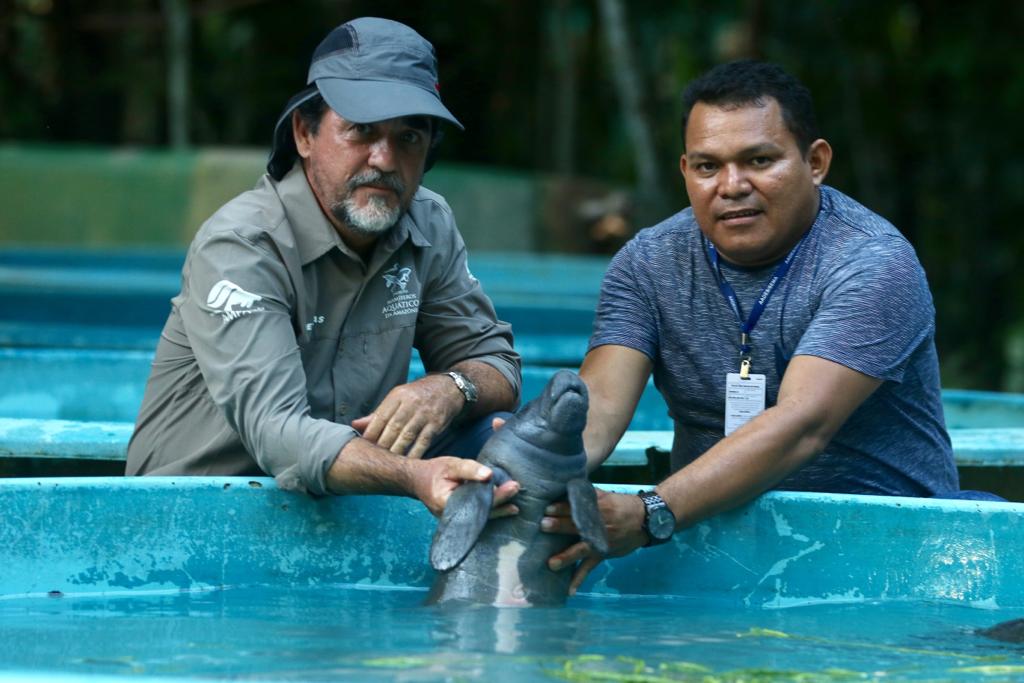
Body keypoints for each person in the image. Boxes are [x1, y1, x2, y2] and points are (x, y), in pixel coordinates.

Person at [542, 60, 972, 591]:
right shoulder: (649, 262)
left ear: (815, 162)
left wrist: (652, 510)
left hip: (884, 560)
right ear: (684, 171)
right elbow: (600, 404)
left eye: (759, 160)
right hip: (711, 549)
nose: (731, 185)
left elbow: (801, 425)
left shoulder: (872, 264)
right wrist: (537, 462)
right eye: (707, 167)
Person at [126, 17, 521, 517]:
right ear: (304, 134)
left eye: (410, 137)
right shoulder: (242, 245)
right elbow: (277, 432)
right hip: (192, 521)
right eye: (360, 130)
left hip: (344, 507)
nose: (384, 158)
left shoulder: (429, 222)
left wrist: (450, 388)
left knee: (511, 442)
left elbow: (496, 363)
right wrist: (415, 475)